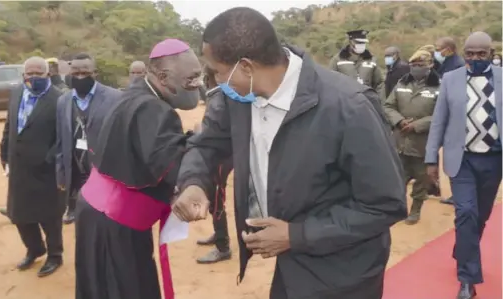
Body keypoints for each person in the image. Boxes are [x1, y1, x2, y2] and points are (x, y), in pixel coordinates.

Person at [173, 7, 407, 299]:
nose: (217, 82)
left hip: (342, 272)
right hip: (289, 264)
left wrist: (297, 236)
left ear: (245, 67)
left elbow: (385, 204)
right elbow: (206, 144)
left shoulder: (349, 108)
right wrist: (194, 181)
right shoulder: (238, 99)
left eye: (218, 72)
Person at [74, 39, 202, 299]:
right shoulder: (154, 109)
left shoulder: (134, 95)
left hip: (99, 214)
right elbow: (171, 166)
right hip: (115, 223)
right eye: (191, 78)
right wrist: (200, 141)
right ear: (164, 77)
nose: (197, 84)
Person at [425, 31, 502, 299]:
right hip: (463, 160)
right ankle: (468, 279)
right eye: (470, 53)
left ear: (491, 54)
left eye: (481, 54)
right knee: (466, 212)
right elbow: (438, 121)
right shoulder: (450, 79)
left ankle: (463, 248)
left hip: (494, 160)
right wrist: (431, 158)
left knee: (480, 216)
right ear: (464, 53)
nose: (475, 58)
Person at [0, 56, 64, 277]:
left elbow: (64, 138)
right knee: (19, 214)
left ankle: (55, 255)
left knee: (49, 216)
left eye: (39, 73)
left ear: (48, 75)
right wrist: (4, 153)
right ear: (23, 75)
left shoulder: (59, 99)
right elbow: (10, 124)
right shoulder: (17, 92)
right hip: (19, 167)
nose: (34, 77)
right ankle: (35, 249)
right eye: (30, 73)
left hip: (46, 171)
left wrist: (49, 159)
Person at [56, 53, 122, 225]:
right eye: (75, 72)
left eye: (85, 73)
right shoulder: (63, 101)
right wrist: (61, 172)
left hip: (104, 172)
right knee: (84, 222)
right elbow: (60, 139)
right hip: (76, 170)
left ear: (95, 73)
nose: (79, 76)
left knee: (106, 221)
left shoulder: (115, 98)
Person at [384, 49, 440, 225]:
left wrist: (416, 125)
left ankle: (415, 210)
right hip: (400, 141)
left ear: (430, 65)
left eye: (420, 65)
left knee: (421, 180)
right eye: (413, 65)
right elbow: (388, 106)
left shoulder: (439, 87)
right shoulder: (402, 84)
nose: (416, 69)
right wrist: (399, 121)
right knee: (397, 179)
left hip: (423, 144)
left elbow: (441, 114)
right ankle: (397, 210)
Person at [194, 66, 232, 264]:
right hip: (223, 154)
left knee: (216, 199)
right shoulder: (220, 94)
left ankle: (223, 247)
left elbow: (211, 132)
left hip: (219, 156)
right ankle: (218, 235)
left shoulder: (219, 98)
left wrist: (197, 134)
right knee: (216, 197)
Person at [433, 37, 466, 205]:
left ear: (449, 49)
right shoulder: (444, 63)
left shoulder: (458, 64)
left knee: (455, 155)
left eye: (439, 48)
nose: (436, 51)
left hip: (453, 115)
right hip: (442, 108)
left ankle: (459, 193)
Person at [329, 29, 384, 95]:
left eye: (363, 43)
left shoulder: (372, 60)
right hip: (345, 100)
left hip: (366, 101)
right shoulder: (338, 60)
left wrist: (378, 101)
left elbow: (379, 84)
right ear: (350, 42)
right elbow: (330, 82)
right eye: (358, 42)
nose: (361, 45)